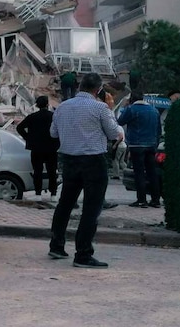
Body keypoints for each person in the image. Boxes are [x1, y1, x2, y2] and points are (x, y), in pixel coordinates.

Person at [48, 73, 123, 268]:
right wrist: (111, 111)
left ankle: (56, 245)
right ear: (98, 89)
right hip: (93, 160)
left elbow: (53, 133)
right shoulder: (100, 108)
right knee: (91, 207)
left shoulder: (63, 107)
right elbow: (115, 133)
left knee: (65, 203)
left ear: (80, 87)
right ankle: (83, 253)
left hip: (69, 159)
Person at [117, 91, 162, 208]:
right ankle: (155, 200)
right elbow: (158, 130)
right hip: (151, 145)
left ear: (132, 99)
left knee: (139, 173)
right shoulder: (154, 110)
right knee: (152, 173)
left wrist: (125, 106)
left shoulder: (132, 109)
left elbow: (120, 121)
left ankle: (141, 200)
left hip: (137, 145)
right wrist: (155, 144)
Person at [16, 96, 59, 196]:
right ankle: (53, 194)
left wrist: (28, 138)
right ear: (47, 104)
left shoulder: (32, 117)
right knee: (52, 171)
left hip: (36, 148)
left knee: (37, 171)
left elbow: (19, 128)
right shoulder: (53, 116)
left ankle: (38, 193)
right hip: (51, 148)